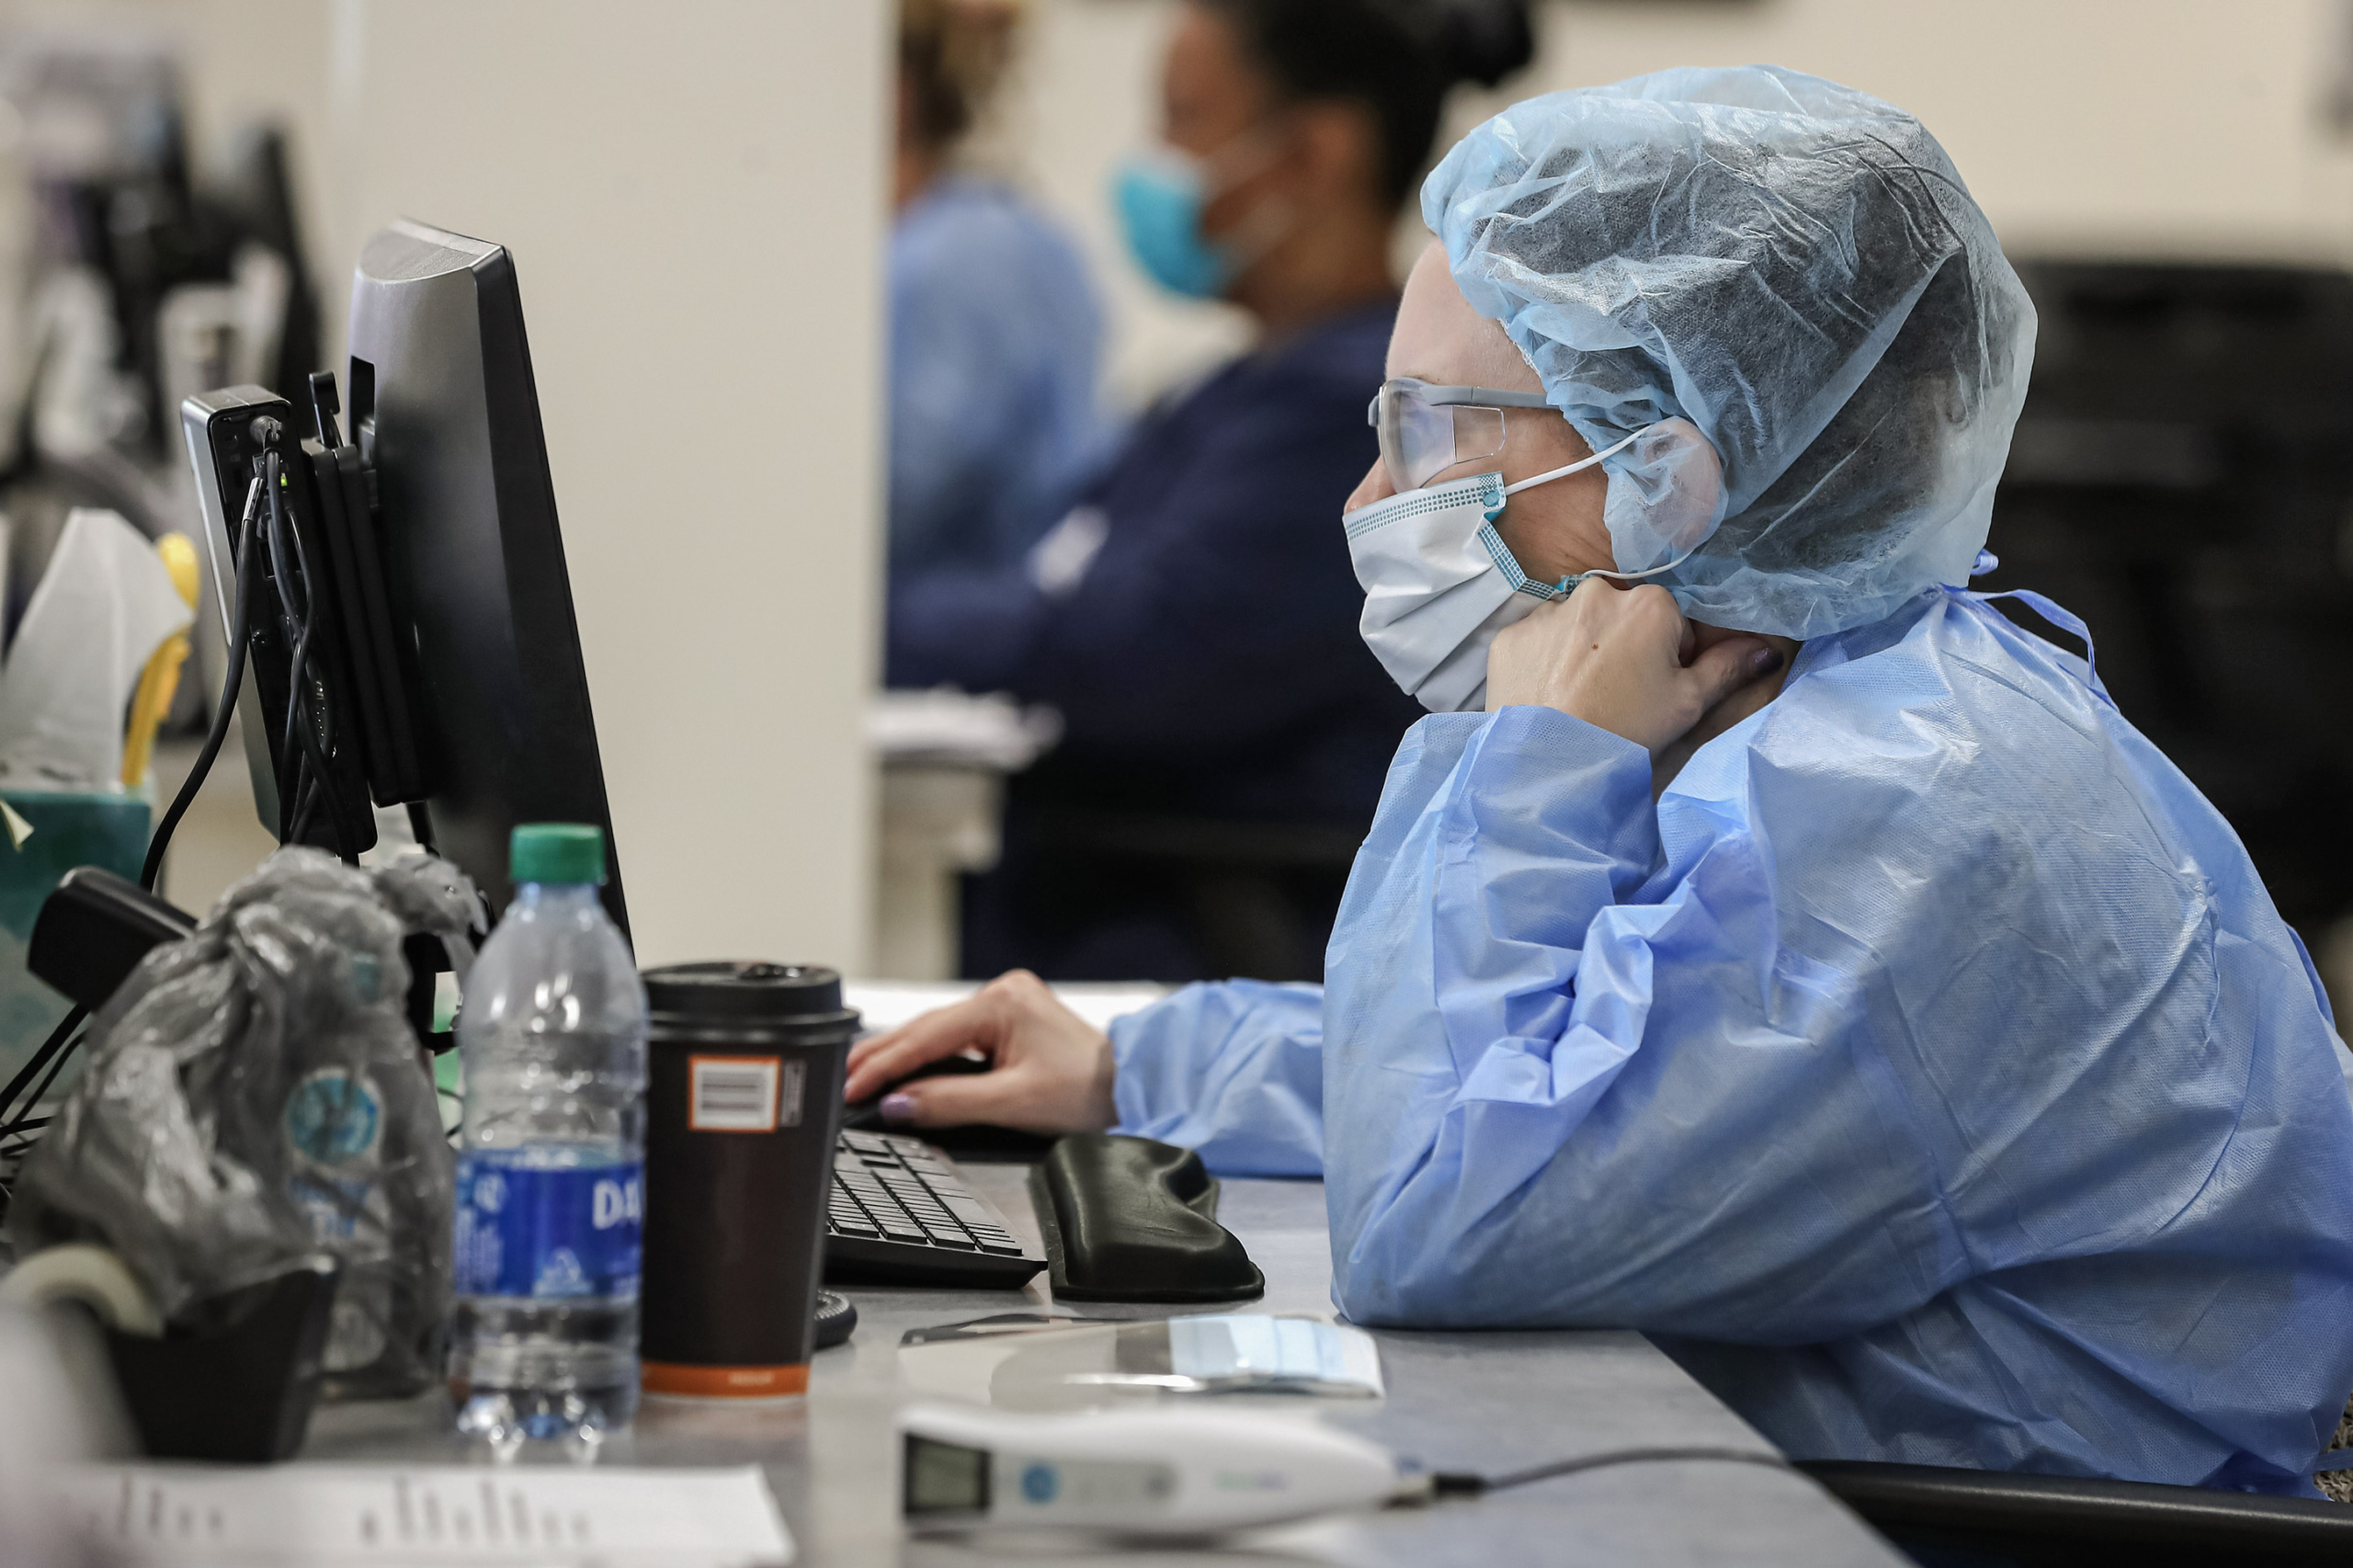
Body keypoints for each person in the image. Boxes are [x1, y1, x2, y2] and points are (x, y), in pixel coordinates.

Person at [849, 66, 2353, 1495]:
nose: (1373, 500)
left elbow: (1446, 1214)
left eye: (1425, 431)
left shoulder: (1901, 809)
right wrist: (1145, 1069)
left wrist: (1530, 758)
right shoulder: (1800, 695)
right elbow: (1585, 1065)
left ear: (1669, 479)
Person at [889, 0, 1533, 983]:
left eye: (1185, 119)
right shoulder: (1232, 392)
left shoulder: (1346, 415)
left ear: (1316, 152)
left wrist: (856, 623)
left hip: (1193, 948)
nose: (1155, 161)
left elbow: (1117, 650)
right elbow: (1060, 593)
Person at [890, 0, 1108, 576]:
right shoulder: (1019, 234)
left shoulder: (955, 255)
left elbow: (895, 491)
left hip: (967, 631)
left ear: (897, 92)